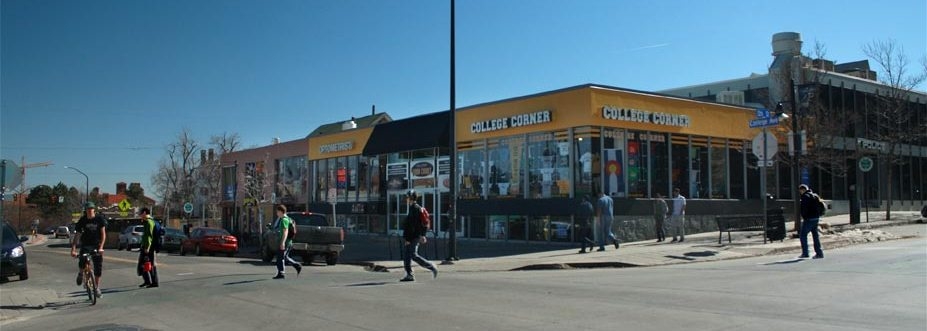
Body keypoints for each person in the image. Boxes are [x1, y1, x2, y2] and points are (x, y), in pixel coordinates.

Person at [400, 190, 438, 282]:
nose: (406, 199)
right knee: (406, 255)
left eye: (407, 197)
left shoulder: (415, 208)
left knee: (413, 255)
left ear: (411, 198)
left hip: (413, 236)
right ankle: (409, 275)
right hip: (412, 236)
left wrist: (409, 238)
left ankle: (431, 266)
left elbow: (413, 225)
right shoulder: (413, 208)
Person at [71, 202, 107, 298]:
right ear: (85, 211)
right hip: (86, 244)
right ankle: (80, 273)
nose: (89, 211)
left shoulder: (99, 219)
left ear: (94, 209)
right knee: (82, 259)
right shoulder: (82, 220)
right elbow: (77, 235)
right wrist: (73, 249)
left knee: (98, 266)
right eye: (87, 209)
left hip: (97, 245)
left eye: (91, 209)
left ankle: (96, 287)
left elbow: (103, 234)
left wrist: (101, 247)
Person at [272, 204, 302, 279]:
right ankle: (297, 265)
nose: (277, 213)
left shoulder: (284, 220)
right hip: (289, 241)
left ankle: (281, 273)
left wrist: (282, 242)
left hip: (286, 242)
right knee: (284, 257)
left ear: (280, 211)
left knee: (280, 258)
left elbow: (285, 231)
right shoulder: (289, 219)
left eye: (277, 212)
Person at [798, 184, 825, 259]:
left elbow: (804, 209)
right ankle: (819, 253)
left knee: (803, 235)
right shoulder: (815, 196)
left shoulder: (805, 197)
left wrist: (804, 216)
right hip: (816, 218)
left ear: (802, 190)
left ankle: (805, 253)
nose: (800, 192)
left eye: (800, 191)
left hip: (809, 218)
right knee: (815, 235)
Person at [137, 207, 159, 288]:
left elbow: (149, 236)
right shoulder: (146, 222)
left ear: (145, 213)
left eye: (141, 213)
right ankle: (148, 281)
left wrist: (148, 247)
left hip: (149, 247)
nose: (140, 215)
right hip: (145, 246)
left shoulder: (149, 222)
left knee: (148, 264)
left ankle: (153, 282)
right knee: (144, 265)